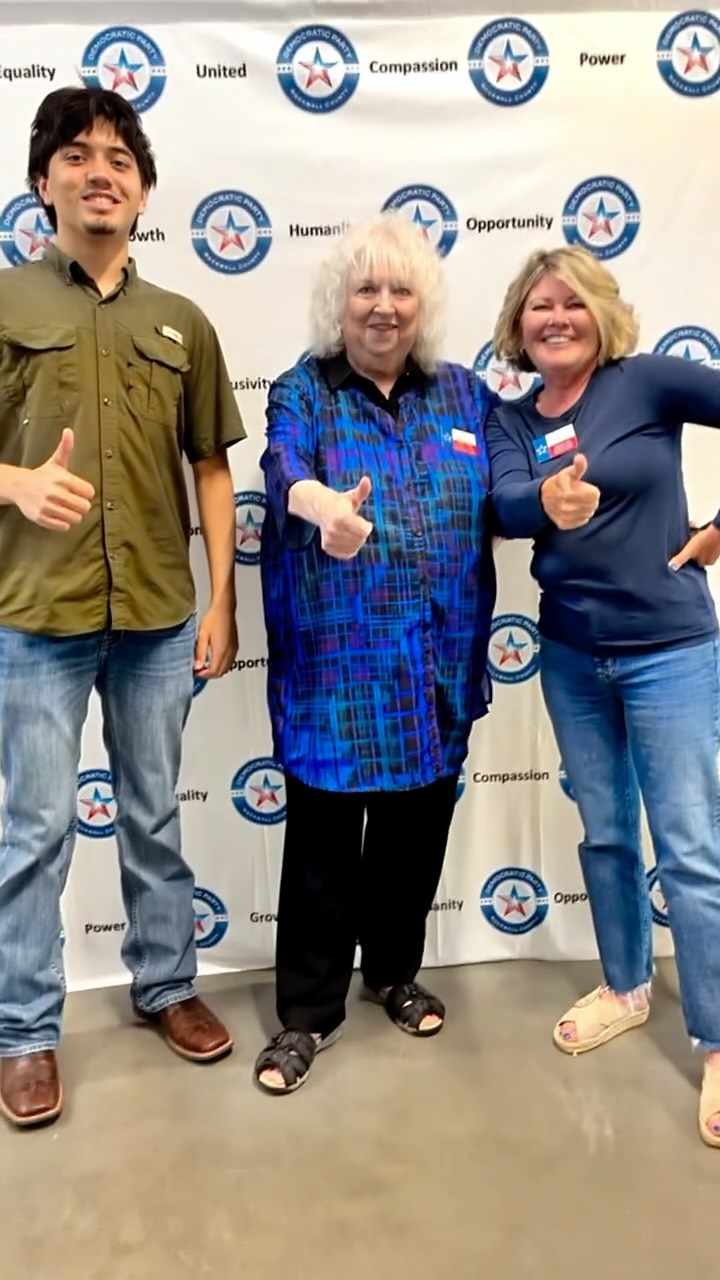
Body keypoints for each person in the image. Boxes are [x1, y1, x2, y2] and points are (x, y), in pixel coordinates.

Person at [0, 86, 245, 1129]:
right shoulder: (6, 302)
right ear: (42, 180)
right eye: (78, 155)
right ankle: (24, 1031)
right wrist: (15, 484)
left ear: (143, 192)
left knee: (152, 812)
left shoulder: (181, 321)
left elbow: (212, 468)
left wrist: (221, 600)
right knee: (35, 828)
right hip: (36, 616)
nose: (101, 171)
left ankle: (167, 983)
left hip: (156, 614)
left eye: (121, 159)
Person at [254, 213, 496, 1094]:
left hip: (437, 664)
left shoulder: (465, 394)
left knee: (414, 835)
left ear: (421, 305)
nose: (383, 306)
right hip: (339, 675)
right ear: (340, 302)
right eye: (366, 289)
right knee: (323, 846)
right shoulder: (305, 390)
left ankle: (393, 972)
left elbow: (515, 481)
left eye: (400, 290)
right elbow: (283, 466)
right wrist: (322, 506)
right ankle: (307, 1014)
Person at [487, 244, 720, 1147]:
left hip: (670, 653)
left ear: (601, 314)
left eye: (573, 303)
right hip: (572, 657)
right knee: (609, 832)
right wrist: (548, 500)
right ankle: (626, 986)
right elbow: (505, 503)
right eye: (540, 306)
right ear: (519, 324)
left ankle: (716, 1038)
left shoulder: (647, 382)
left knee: (690, 848)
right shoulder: (512, 419)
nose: (557, 318)